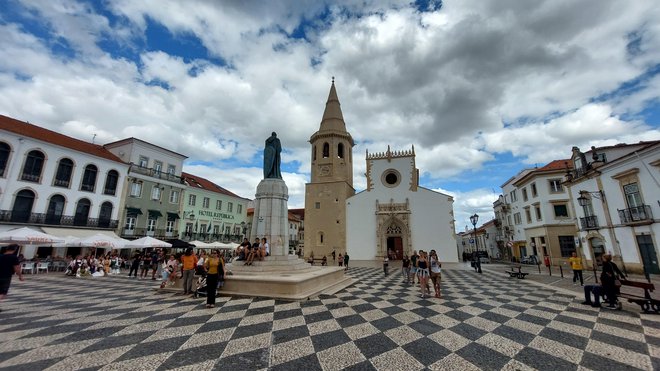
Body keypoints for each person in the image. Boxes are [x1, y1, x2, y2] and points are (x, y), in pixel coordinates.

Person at [0, 244, 24, 311]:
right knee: (3, 293)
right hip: (6, 276)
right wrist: (20, 276)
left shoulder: (0, 256)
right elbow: (17, 268)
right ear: (15, 250)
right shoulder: (13, 257)